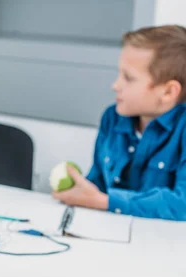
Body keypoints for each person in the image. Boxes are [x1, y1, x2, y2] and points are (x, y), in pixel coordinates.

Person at [53, 25, 186, 221]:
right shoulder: (112, 118)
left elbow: (181, 205)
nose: (115, 85)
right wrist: (79, 191)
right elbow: (97, 182)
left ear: (168, 92)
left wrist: (104, 202)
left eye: (129, 78)